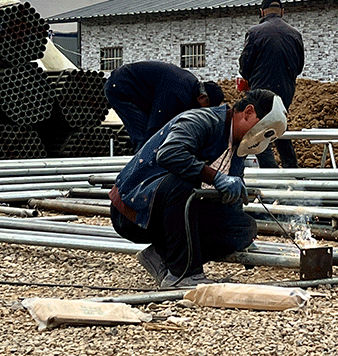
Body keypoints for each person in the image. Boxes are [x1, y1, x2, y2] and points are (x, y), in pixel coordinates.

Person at [108, 89, 287, 288]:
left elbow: (231, 197)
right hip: (134, 211)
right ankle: (181, 274)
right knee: (184, 183)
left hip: (173, 215)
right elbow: (170, 154)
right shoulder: (202, 121)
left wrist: (239, 238)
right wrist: (214, 176)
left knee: (243, 228)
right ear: (248, 112)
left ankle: (160, 255)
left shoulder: (237, 147)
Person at [239, 0, 304, 168]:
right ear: (282, 12)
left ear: (261, 13)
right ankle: (292, 168)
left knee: (259, 129)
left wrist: (249, 79)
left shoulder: (255, 32)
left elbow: (245, 65)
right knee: (279, 124)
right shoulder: (294, 34)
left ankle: (270, 171)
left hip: (261, 90)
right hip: (285, 89)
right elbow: (299, 66)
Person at [104, 60, 225, 152]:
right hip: (121, 86)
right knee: (145, 137)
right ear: (202, 98)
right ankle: (141, 174)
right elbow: (157, 126)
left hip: (141, 93)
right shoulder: (177, 93)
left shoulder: (189, 89)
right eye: (206, 108)